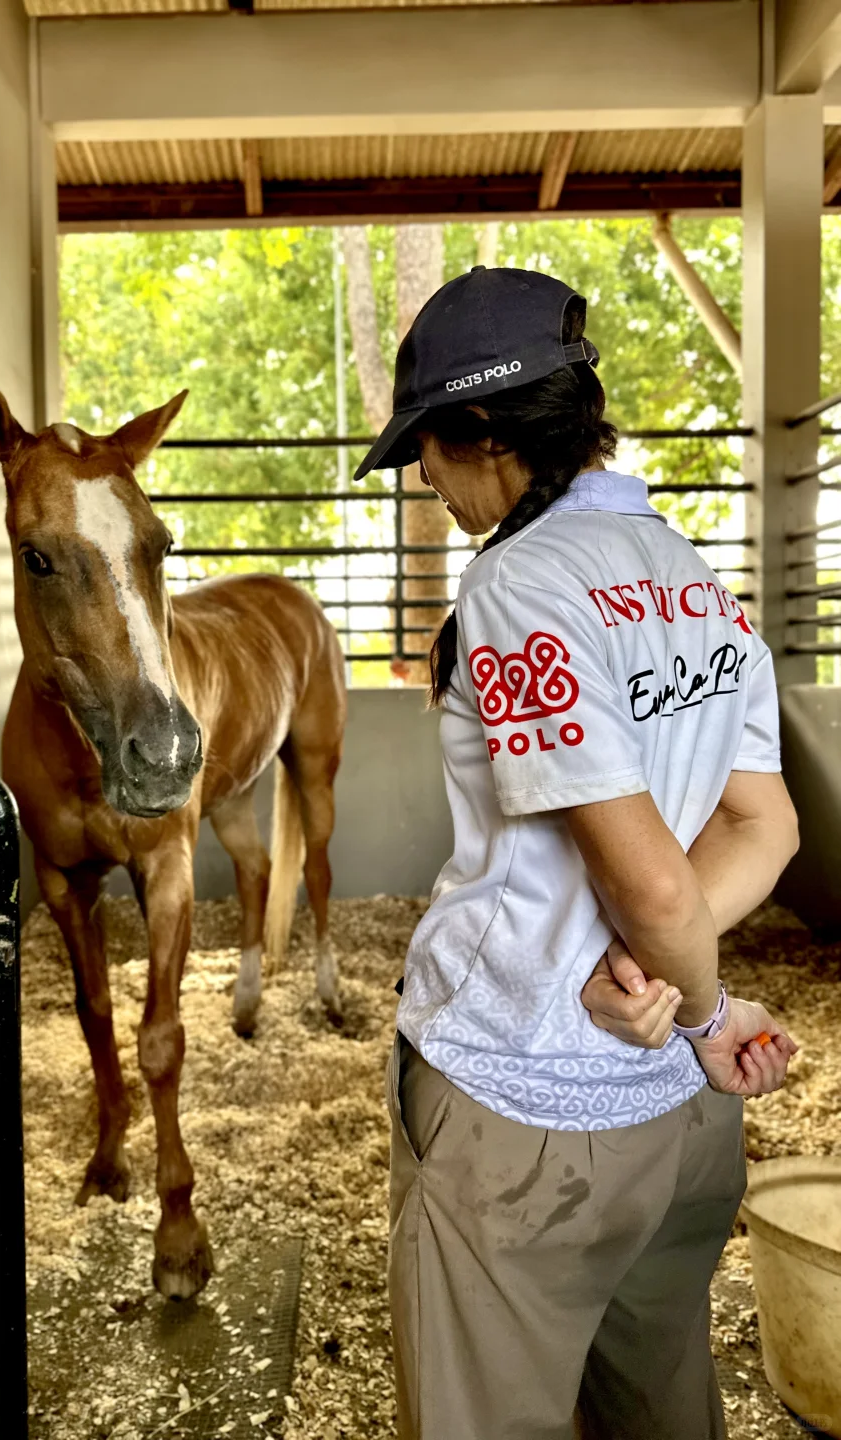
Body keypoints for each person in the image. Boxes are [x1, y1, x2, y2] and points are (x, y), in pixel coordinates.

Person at [352, 266, 801, 1440]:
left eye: (426, 451)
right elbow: (766, 828)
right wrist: (677, 980)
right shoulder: (694, 580)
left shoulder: (518, 583)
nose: (425, 481)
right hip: (674, 1135)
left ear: (483, 433)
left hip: (525, 1110)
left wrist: (695, 1009)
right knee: (659, 1405)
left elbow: (648, 883)